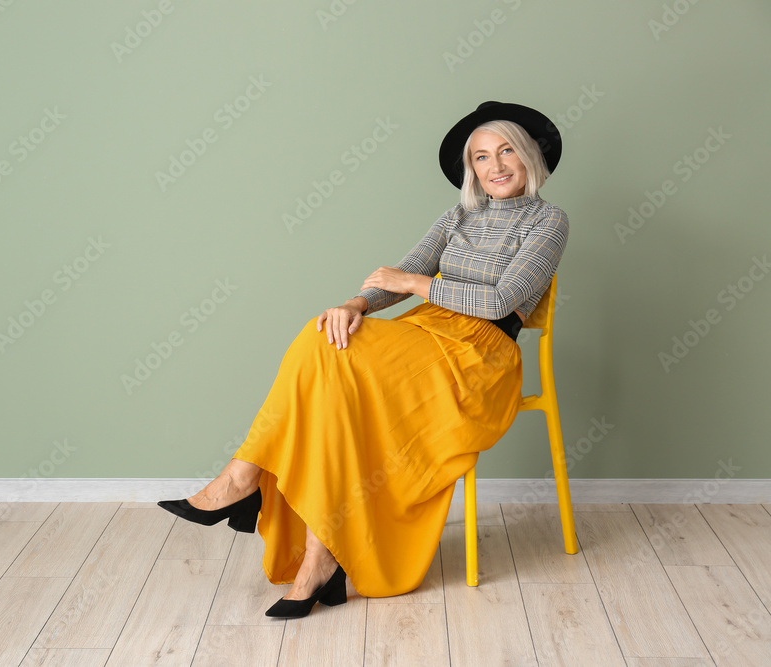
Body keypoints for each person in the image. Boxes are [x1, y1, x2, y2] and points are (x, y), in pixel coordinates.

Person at [158, 101, 569, 619]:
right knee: (325, 337)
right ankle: (307, 546)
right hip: (425, 333)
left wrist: (417, 285)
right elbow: (402, 272)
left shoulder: (549, 220)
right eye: (482, 157)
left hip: (480, 356)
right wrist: (355, 304)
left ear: (529, 156)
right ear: (472, 170)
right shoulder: (458, 217)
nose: (497, 165)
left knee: (336, 366)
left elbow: (497, 302)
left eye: (507, 150)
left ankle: (246, 485)